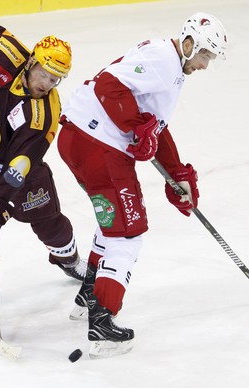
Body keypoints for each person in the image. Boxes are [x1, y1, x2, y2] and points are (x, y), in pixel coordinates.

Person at [57, 12, 227, 358]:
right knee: (128, 233)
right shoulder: (164, 60)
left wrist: (177, 172)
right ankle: (102, 322)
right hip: (99, 145)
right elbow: (108, 86)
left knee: (113, 223)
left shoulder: (169, 65)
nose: (206, 65)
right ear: (190, 42)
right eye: (205, 55)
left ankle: (89, 294)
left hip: (80, 140)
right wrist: (137, 126)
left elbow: (154, 125)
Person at [0, 17, 84, 307]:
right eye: (44, 73)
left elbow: (20, 166)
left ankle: (68, 257)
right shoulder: (7, 54)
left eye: (55, 79)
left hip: (17, 172)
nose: (46, 83)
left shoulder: (43, 115)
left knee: (49, 224)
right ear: (32, 61)